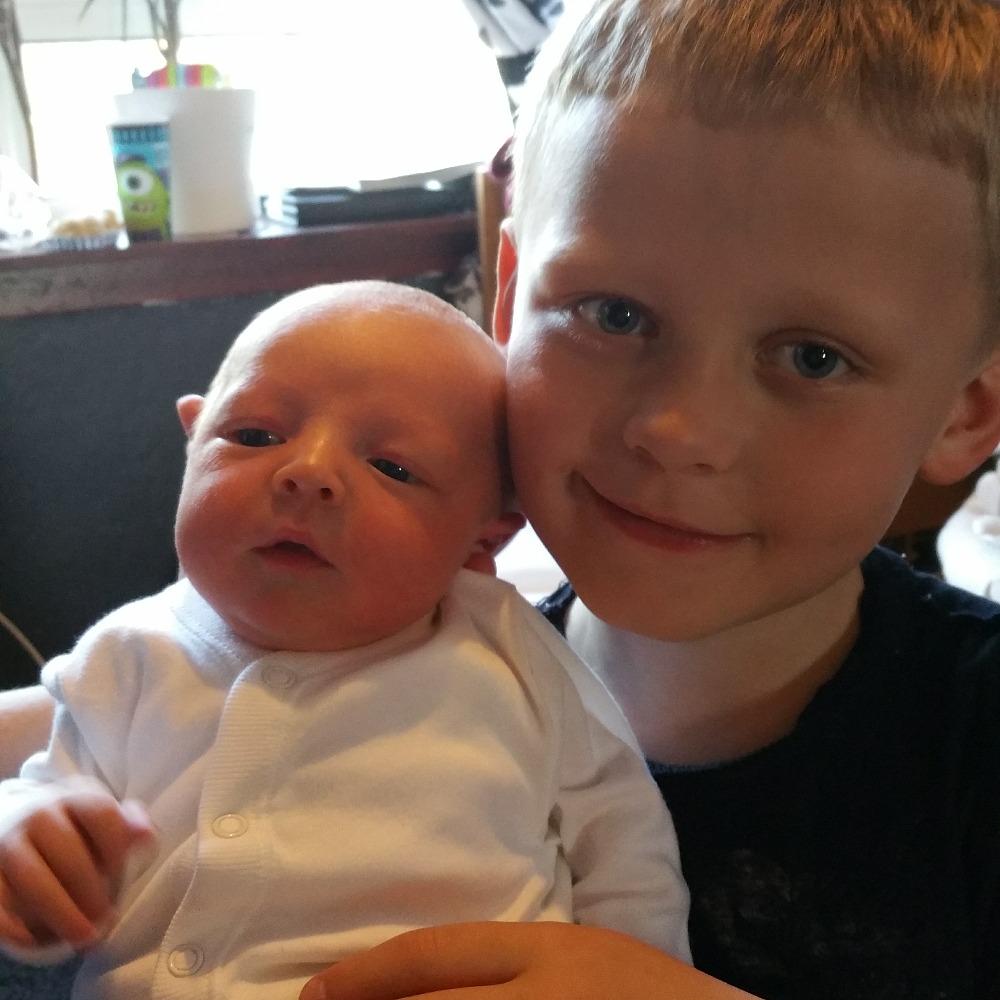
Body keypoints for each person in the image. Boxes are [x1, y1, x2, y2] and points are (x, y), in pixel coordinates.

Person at [7, 0, 1000, 996]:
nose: (677, 430)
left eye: (814, 357)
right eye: (614, 314)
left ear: (969, 410)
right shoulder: (397, 624)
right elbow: (97, 713)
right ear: (512, 294)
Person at [0, 281, 692, 999]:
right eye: (255, 436)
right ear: (193, 441)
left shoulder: (508, 654)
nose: (308, 473)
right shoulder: (121, 657)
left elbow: (622, 838)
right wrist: (24, 837)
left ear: (481, 542)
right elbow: (45, 794)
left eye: (392, 468)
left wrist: (639, 971)